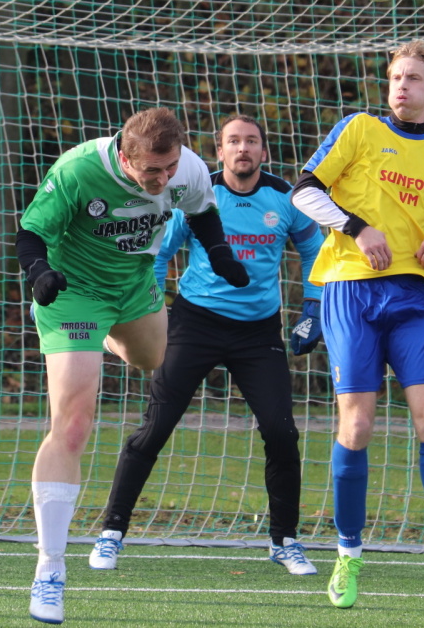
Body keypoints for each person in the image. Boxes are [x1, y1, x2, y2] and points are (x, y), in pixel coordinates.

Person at [291, 40, 424, 608]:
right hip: (350, 290)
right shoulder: (359, 129)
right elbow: (304, 192)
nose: (401, 86)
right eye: (394, 77)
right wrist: (358, 228)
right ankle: (348, 555)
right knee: (357, 425)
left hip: (416, 298)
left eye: (412, 79)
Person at [16, 106, 249, 625]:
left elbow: (202, 212)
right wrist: (39, 272)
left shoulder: (186, 167)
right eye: (151, 172)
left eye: (170, 169)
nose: (163, 180)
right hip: (74, 293)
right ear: (125, 157)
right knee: (73, 424)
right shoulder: (78, 170)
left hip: (136, 285)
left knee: (152, 359)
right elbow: (29, 234)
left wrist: (220, 254)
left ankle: (102, 341)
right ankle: (50, 569)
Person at [87, 114, 325, 576]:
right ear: (220, 151)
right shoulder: (199, 194)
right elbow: (158, 253)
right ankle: (111, 532)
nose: (243, 148)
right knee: (155, 427)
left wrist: (313, 307)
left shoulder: (286, 198)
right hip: (194, 323)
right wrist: (153, 310)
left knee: (281, 433)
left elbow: (317, 250)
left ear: (263, 151)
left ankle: (285, 541)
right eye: (233, 141)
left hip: (258, 332)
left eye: (251, 141)